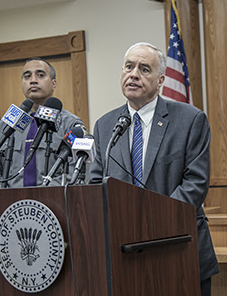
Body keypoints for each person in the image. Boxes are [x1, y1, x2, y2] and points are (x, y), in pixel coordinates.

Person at [88, 42, 219, 295]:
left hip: (178, 248)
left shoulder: (190, 120)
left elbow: (195, 185)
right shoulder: (105, 125)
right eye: (129, 66)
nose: (134, 74)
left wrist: (152, 224)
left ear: (160, 81)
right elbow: (95, 186)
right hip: (124, 254)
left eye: (144, 69)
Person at [0, 57, 84, 188]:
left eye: (40, 75)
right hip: (12, 204)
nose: (33, 80)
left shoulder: (70, 123)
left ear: (53, 83)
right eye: (27, 76)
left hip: (53, 203)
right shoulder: (9, 122)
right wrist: (7, 196)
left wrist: (42, 195)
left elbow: (77, 172)